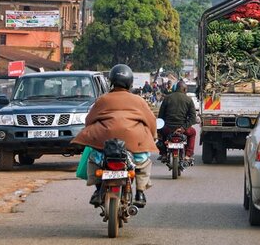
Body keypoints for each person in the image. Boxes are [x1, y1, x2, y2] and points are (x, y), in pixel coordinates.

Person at [72, 64, 158, 208]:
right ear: (130, 83)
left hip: (105, 142)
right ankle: (140, 193)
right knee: (142, 163)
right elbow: (151, 122)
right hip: (134, 143)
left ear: (111, 81)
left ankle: (98, 190)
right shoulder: (139, 100)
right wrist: (153, 136)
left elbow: (89, 120)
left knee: (94, 159)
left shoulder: (103, 100)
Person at [157, 80, 197, 162]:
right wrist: (183, 128)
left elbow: (161, 116)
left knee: (161, 133)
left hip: (168, 129)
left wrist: (162, 127)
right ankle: (188, 155)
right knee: (193, 133)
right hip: (183, 130)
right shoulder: (188, 100)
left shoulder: (167, 98)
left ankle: (164, 154)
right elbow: (193, 118)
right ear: (185, 90)